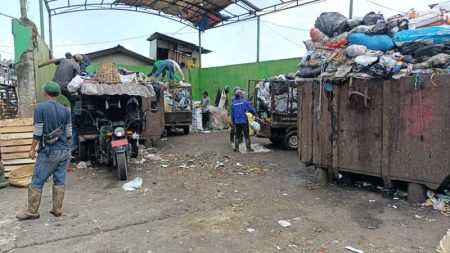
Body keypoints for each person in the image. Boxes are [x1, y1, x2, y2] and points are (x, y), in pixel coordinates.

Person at [16, 81, 72, 220]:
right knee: (59, 180)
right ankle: (57, 209)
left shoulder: (40, 108)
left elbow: (38, 131)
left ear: (45, 93)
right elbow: (69, 133)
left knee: (37, 181)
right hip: (63, 151)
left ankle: (32, 212)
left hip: (48, 152)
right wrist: (67, 148)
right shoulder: (66, 110)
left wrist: (32, 149)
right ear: (59, 94)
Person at [38, 54, 82, 154]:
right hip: (66, 87)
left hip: (55, 85)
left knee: (51, 100)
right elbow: (77, 80)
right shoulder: (76, 65)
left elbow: (51, 60)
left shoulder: (63, 60)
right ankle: (72, 118)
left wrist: (39, 65)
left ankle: (50, 112)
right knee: (75, 101)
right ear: (78, 61)